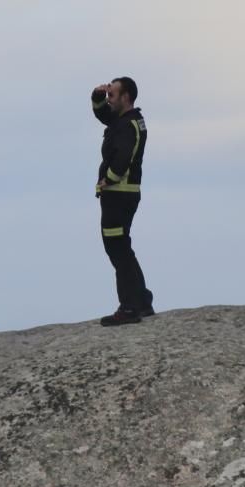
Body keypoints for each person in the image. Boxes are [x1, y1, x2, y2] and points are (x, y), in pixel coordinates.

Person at [91, 76, 154, 326]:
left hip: (118, 195)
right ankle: (142, 301)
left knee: (116, 249)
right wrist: (97, 95)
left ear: (126, 96)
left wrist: (108, 179)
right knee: (123, 248)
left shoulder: (128, 125)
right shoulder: (126, 119)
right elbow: (102, 114)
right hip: (125, 194)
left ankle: (129, 308)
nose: (109, 98)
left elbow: (123, 156)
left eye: (112, 95)